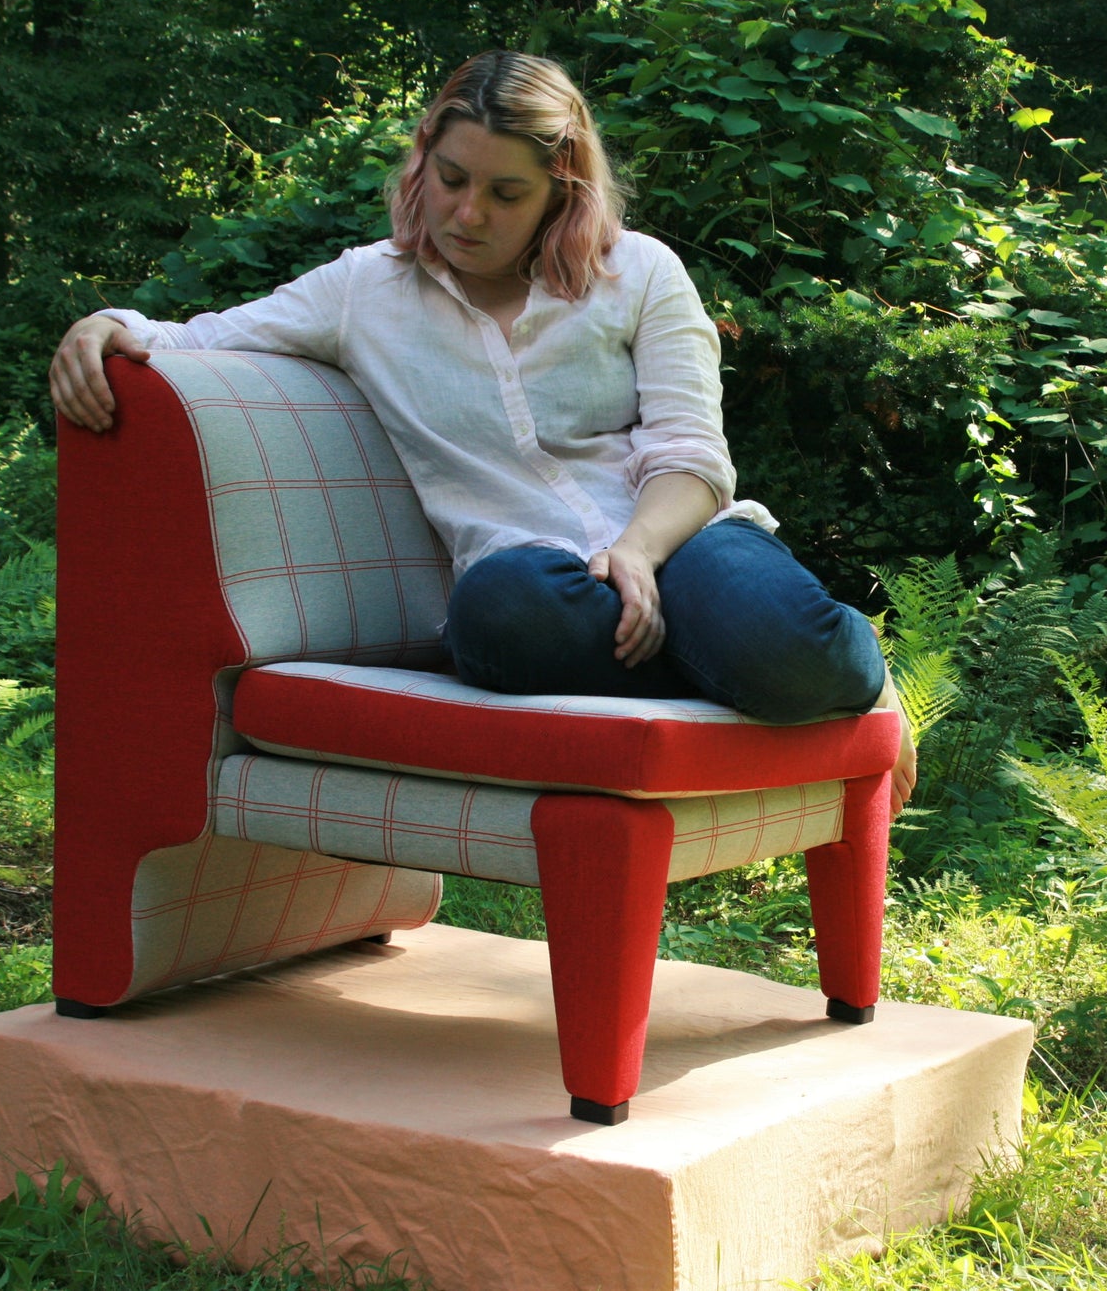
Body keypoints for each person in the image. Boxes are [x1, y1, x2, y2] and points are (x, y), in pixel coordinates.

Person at [49, 49, 916, 812]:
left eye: (506, 194)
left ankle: (848, 672)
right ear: (424, 158)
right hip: (540, 590)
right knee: (493, 616)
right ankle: (723, 661)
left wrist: (639, 556)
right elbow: (195, 339)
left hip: (682, 544)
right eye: (452, 179)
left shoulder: (640, 273)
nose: (466, 214)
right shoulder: (364, 292)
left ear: (560, 192)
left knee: (790, 647)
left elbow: (693, 454)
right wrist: (102, 326)